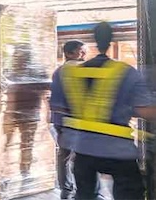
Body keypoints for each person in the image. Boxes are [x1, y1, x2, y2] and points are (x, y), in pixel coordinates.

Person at [50, 22, 155, 200]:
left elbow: (61, 108)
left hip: (83, 150)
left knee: (85, 195)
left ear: (94, 41)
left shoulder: (73, 73)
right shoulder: (126, 72)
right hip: (118, 151)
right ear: (110, 40)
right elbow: (145, 110)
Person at [53, 40, 87, 199]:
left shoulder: (59, 71)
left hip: (62, 119)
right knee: (79, 155)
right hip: (72, 119)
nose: (84, 55)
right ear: (68, 53)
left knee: (65, 154)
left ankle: (66, 187)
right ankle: (77, 188)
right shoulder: (74, 70)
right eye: (81, 51)